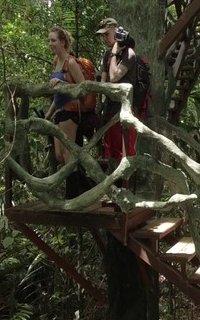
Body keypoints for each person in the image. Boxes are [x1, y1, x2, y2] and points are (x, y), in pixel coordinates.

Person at [44, 26, 90, 198]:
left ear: (62, 42)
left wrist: (62, 84)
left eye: (53, 40)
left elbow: (83, 88)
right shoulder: (56, 62)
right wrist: (48, 115)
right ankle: (86, 186)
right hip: (59, 111)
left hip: (71, 112)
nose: (50, 44)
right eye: (49, 40)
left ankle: (72, 196)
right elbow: (57, 96)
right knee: (59, 156)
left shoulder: (71, 63)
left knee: (68, 154)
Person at [96, 17, 140, 160]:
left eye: (106, 34)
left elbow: (114, 76)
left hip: (125, 111)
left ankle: (125, 181)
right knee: (111, 152)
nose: (104, 38)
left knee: (125, 154)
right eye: (102, 35)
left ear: (116, 31)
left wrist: (115, 53)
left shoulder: (129, 54)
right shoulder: (107, 55)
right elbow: (103, 81)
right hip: (110, 109)